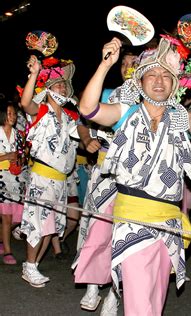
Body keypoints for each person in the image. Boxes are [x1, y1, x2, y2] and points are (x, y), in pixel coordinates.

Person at [78, 35, 191, 315]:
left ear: (174, 84)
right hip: (133, 219)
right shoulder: (127, 112)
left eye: (166, 76)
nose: (158, 81)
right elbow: (87, 109)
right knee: (140, 302)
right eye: (151, 74)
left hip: (168, 223)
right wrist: (106, 64)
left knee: (155, 299)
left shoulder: (180, 118)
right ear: (140, 81)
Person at [73, 46, 139, 314]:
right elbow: (82, 118)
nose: (127, 67)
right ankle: (92, 284)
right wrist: (88, 139)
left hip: (134, 179)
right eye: (123, 63)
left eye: (133, 62)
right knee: (94, 229)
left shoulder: (152, 100)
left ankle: (114, 293)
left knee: (124, 237)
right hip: (103, 174)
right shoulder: (108, 94)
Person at [19, 55, 79, 287]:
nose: (63, 86)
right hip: (43, 176)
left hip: (61, 180)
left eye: (64, 84)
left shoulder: (69, 118)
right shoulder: (41, 111)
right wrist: (34, 74)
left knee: (50, 227)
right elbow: (25, 104)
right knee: (38, 224)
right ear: (47, 90)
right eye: (57, 84)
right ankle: (30, 265)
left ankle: (32, 265)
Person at [0, 100, 25, 265]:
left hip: (16, 179)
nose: (13, 117)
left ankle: (2, 239)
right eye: (9, 113)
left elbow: (22, 157)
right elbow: (8, 156)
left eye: (14, 113)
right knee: (7, 218)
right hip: (1, 178)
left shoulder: (19, 135)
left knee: (20, 216)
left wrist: (20, 159)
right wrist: (7, 156)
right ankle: (7, 252)